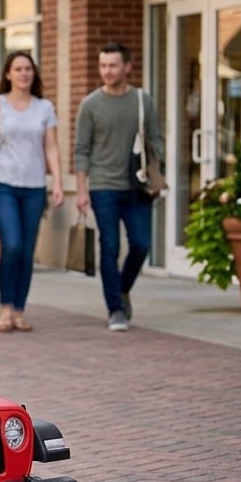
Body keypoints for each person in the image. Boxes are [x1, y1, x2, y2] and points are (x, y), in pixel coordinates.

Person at [0, 51, 65, 333]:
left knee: (26, 251)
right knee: (11, 246)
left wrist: (57, 182)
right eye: (18, 68)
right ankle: (5, 308)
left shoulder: (44, 107)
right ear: (8, 74)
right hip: (5, 185)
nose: (24, 73)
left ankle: (20, 310)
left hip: (34, 186)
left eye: (28, 69)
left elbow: (51, 147)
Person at [74, 42, 163, 333]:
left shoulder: (142, 100)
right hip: (103, 186)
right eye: (103, 66)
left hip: (137, 185)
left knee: (141, 244)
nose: (107, 71)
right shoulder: (90, 104)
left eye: (113, 65)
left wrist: (153, 169)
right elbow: (82, 149)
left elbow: (156, 139)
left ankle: (121, 289)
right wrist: (82, 189)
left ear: (127, 67)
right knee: (109, 246)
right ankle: (115, 309)